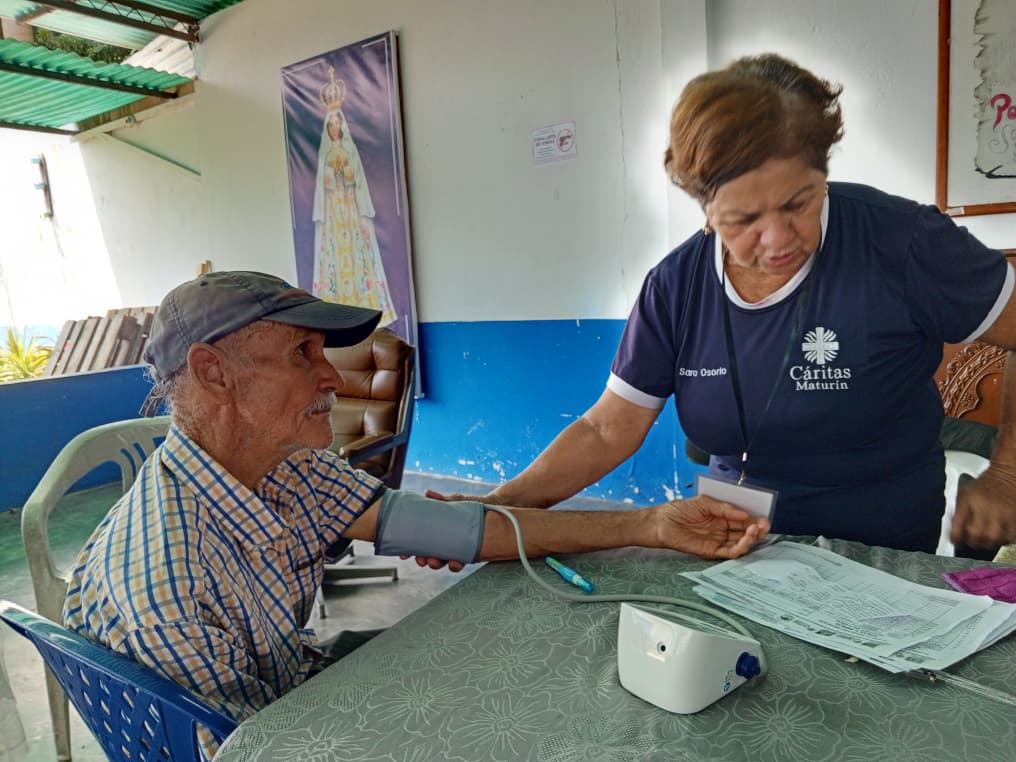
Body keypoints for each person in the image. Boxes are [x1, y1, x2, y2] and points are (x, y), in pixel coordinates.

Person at [62, 270, 768, 757]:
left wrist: (649, 525)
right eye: (303, 354)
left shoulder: (291, 471)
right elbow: (251, 750)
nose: (333, 378)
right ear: (213, 371)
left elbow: (464, 530)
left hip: (290, 692)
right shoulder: (165, 581)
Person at [425, 53, 1016, 559]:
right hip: (737, 545)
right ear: (703, 208)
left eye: (798, 202)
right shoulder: (675, 286)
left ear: (824, 172)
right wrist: (497, 508)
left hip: (883, 546)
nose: (778, 238)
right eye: (744, 220)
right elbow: (607, 428)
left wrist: (1009, 476)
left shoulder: (901, 241)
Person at [312, 69, 397, 326]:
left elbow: (357, 179)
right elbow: (320, 186)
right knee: (335, 259)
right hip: (333, 213)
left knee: (359, 258)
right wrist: (331, 176)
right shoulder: (324, 154)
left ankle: (365, 306)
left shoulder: (350, 150)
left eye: (337, 124)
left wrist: (344, 173)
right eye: (331, 125)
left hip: (349, 207)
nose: (335, 129)